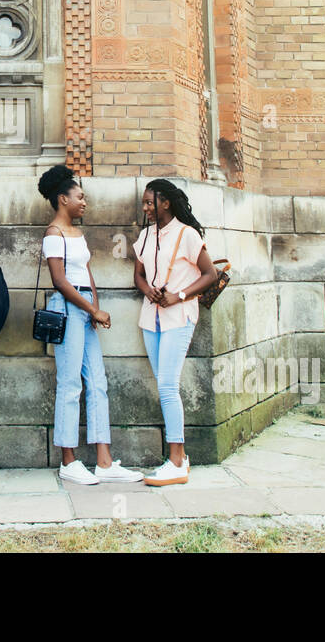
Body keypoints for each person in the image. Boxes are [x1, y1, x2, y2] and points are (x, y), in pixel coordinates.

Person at [38, 165, 144, 485]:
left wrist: (95, 308)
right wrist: (90, 309)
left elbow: (86, 272)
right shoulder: (53, 234)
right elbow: (60, 280)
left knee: (97, 383)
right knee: (71, 385)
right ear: (62, 199)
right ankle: (68, 461)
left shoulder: (77, 234)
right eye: (79, 197)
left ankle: (104, 462)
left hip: (84, 310)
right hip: (68, 308)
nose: (84, 202)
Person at [132, 178, 219, 487]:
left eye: (149, 203)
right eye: (144, 203)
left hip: (179, 317)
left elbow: (211, 274)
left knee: (169, 386)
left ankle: (177, 461)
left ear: (165, 202)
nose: (145, 208)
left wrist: (179, 295)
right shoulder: (145, 235)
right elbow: (138, 276)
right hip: (151, 318)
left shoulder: (187, 234)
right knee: (164, 385)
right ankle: (177, 459)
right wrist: (150, 291)